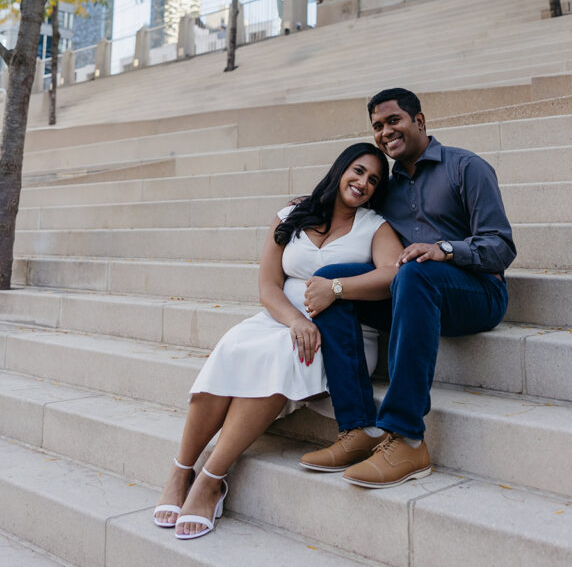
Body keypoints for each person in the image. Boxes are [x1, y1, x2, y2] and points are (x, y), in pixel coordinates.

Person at [153, 142, 404, 538]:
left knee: (277, 355)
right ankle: (180, 470)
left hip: (341, 336)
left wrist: (337, 288)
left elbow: (393, 275)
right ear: (341, 169)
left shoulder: (375, 226)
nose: (363, 183)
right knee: (233, 345)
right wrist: (293, 320)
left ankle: (211, 479)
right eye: (357, 171)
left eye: (373, 180)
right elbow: (268, 285)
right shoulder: (292, 214)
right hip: (278, 319)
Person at [300, 87, 516, 488]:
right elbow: (354, 212)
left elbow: (501, 246)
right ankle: (358, 429)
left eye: (393, 120)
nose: (384, 132)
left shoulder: (466, 167)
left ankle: (407, 437)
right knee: (337, 278)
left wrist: (445, 250)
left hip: (477, 293)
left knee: (414, 271)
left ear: (419, 120)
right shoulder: (388, 187)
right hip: (414, 296)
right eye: (377, 126)